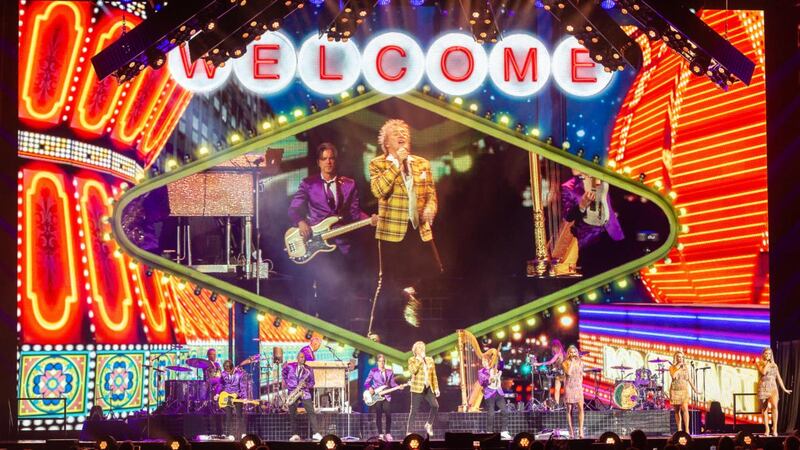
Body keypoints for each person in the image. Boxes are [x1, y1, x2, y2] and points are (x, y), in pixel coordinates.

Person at [368, 119, 441, 340]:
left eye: (404, 132)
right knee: (388, 281)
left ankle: (413, 301)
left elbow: (431, 196)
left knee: (435, 272)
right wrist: (395, 164)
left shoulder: (422, 163)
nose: (401, 135)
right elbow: (378, 190)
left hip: (418, 228)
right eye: (396, 133)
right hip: (391, 231)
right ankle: (376, 330)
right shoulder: (378, 164)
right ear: (386, 143)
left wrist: (430, 208)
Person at [288, 142, 377, 318]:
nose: (328, 162)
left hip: (343, 245)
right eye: (324, 159)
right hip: (317, 245)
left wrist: (370, 220)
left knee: (344, 289)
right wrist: (300, 222)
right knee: (323, 288)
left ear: (336, 161)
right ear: (318, 162)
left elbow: (354, 212)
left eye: (331, 158)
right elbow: (293, 209)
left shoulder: (349, 184)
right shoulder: (309, 183)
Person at [560, 169, 624, 277]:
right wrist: (582, 205)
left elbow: (616, 198)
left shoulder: (602, 177)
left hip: (612, 234)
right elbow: (568, 216)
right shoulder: (568, 186)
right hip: (589, 241)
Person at [364, 354, 405, 441]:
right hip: (376, 396)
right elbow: (366, 383)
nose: (382, 363)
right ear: (377, 362)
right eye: (380, 361)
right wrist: (370, 388)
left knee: (388, 414)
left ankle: (388, 433)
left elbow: (393, 384)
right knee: (378, 415)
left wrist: (399, 387)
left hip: (386, 395)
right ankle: (380, 434)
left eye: (383, 361)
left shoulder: (389, 372)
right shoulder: (373, 371)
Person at [282, 352, 322, 442]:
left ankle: (316, 433)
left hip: (304, 392)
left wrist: (306, 385)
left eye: (304, 357)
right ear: (297, 358)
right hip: (293, 392)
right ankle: (294, 434)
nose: (302, 359)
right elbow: (283, 373)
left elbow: (312, 382)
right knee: (293, 413)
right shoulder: (290, 366)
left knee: (311, 412)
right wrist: (286, 382)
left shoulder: (308, 369)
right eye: (301, 357)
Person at [406, 341, 439, 438]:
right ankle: (409, 431)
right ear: (415, 350)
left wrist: (436, 388)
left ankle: (429, 424)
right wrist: (420, 360)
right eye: (419, 348)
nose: (422, 349)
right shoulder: (412, 360)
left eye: (423, 347)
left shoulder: (429, 360)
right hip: (417, 388)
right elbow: (413, 370)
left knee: (435, 405)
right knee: (414, 410)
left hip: (428, 387)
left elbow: (434, 375)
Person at [757, 347, 792, 436]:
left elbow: (778, 378)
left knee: (775, 407)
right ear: (763, 354)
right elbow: (763, 372)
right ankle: (767, 429)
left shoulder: (774, 365)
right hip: (763, 387)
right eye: (766, 353)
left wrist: (784, 389)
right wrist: (768, 364)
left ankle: (775, 429)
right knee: (764, 409)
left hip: (773, 387)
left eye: (769, 354)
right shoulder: (759, 363)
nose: (768, 355)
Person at [477, 351, 511, 440]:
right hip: (489, 394)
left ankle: (504, 431)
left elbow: (502, 366)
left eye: (485, 361)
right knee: (491, 413)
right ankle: (489, 432)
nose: (483, 363)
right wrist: (489, 380)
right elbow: (482, 383)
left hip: (498, 393)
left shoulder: (494, 368)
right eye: (482, 362)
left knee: (505, 411)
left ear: (489, 361)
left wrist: (500, 357)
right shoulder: (481, 372)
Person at [669, 351, 702, 433]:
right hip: (675, 390)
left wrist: (695, 390)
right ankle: (679, 429)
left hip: (684, 390)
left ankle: (687, 429)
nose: (679, 358)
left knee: (685, 409)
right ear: (675, 358)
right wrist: (678, 368)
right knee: (677, 410)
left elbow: (689, 379)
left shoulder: (686, 367)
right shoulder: (672, 367)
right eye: (677, 357)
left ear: (683, 358)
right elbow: (673, 377)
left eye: (680, 357)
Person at [218, 359, 247, 437]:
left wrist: (244, 397)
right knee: (228, 415)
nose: (227, 373)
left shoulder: (240, 374)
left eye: (229, 371)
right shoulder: (223, 374)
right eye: (226, 371)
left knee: (239, 415)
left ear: (232, 368)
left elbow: (242, 386)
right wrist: (218, 393)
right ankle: (230, 434)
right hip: (228, 395)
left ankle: (241, 433)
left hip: (238, 395)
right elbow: (221, 384)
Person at [562, 345, 585, 439]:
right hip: (569, 387)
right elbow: (569, 373)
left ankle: (580, 430)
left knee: (581, 408)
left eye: (574, 352)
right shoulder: (565, 363)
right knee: (569, 410)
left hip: (578, 387)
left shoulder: (580, 362)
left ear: (577, 353)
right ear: (568, 353)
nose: (573, 354)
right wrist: (572, 362)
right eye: (571, 352)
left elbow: (581, 375)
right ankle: (571, 430)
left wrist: (581, 385)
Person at [539, 339, 566, 406]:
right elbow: (552, 363)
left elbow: (550, 362)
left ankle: (566, 405)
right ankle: (557, 404)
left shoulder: (560, 354)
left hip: (565, 374)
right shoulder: (559, 354)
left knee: (565, 390)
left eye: (554, 347)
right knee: (557, 390)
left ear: (557, 347)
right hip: (558, 374)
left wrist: (538, 364)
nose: (553, 349)